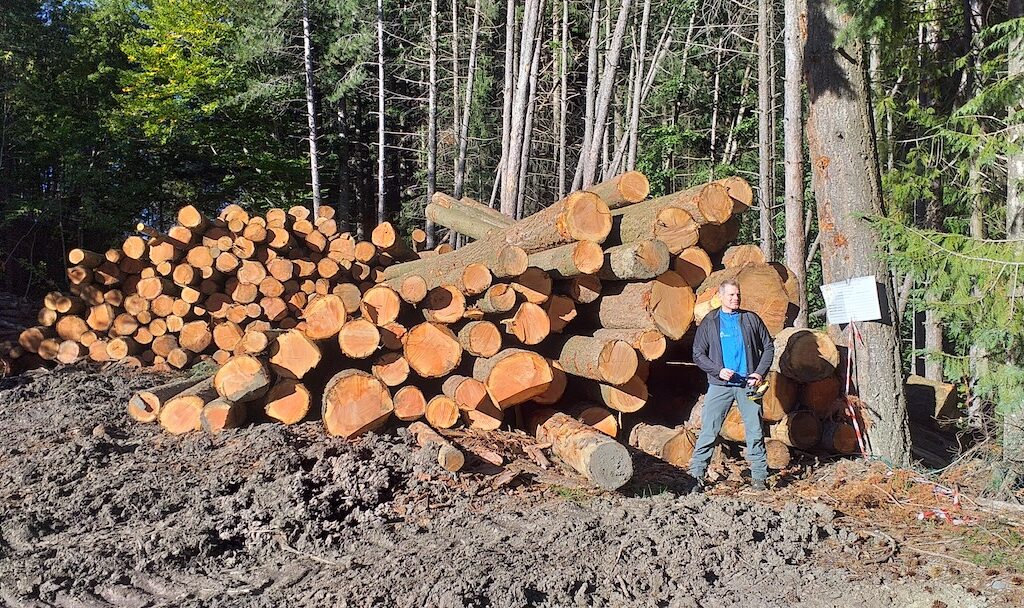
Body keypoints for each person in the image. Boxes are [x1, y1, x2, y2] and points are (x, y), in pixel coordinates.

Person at [689, 278, 775, 492]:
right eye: (731, 295)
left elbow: (768, 347)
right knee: (709, 430)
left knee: (755, 431)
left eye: (738, 295)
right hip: (720, 385)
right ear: (720, 296)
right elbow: (698, 354)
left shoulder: (751, 319)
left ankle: (759, 478)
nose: (736, 298)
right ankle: (696, 476)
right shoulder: (710, 322)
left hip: (749, 385)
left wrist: (758, 372)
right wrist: (718, 370)